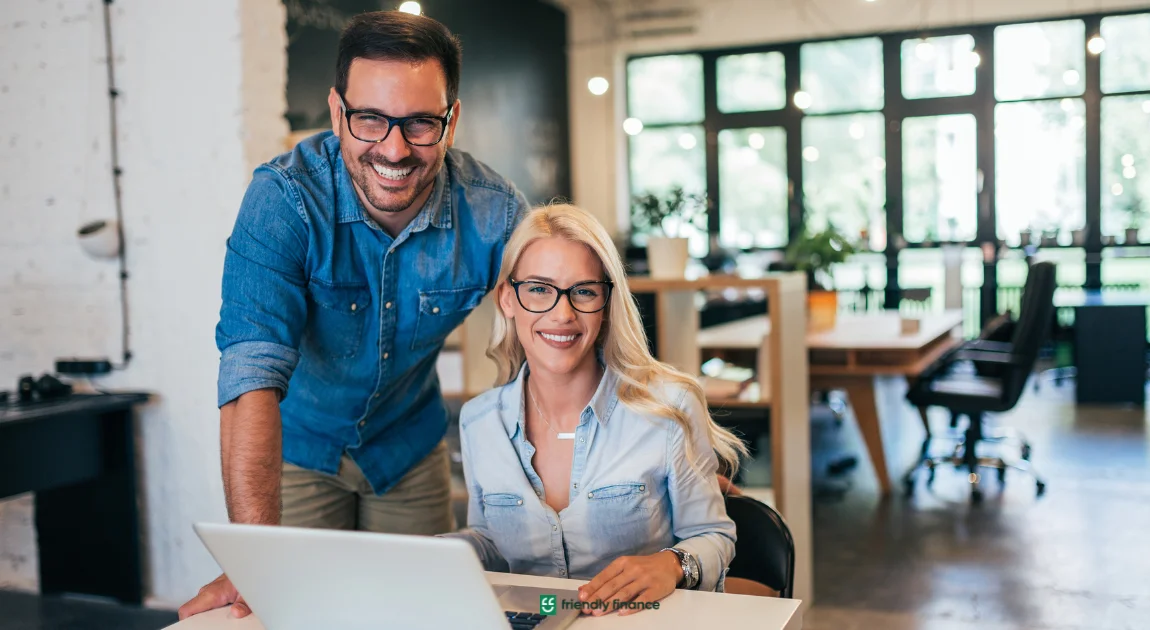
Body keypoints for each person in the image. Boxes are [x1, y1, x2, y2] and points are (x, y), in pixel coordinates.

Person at [179, 11, 528, 620]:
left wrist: (665, 447)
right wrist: (254, 557)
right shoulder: (283, 200)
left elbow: (570, 330)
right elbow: (249, 375)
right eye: (370, 119)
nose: (394, 150)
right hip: (297, 449)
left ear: (452, 119)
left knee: (423, 616)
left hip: (408, 448)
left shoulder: (494, 214)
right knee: (295, 613)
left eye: (421, 123)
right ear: (338, 112)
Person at [443, 204, 747, 615]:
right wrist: (440, 552)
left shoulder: (668, 408)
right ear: (507, 300)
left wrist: (673, 564)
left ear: (605, 304)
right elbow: (492, 545)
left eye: (584, 291)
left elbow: (713, 535)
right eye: (538, 289)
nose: (562, 314)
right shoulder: (479, 421)